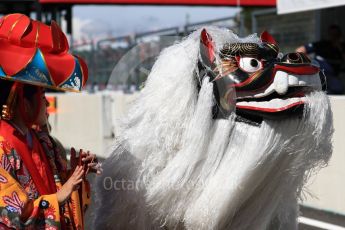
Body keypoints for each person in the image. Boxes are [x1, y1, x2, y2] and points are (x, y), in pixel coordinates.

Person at [0, 13, 100, 229]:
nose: (46, 104)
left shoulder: (47, 143)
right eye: (41, 96)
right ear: (22, 102)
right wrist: (62, 194)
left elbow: (62, 193)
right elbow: (14, 214)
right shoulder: (1, 146)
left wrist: (75, 174)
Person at [296, 24, 345, 94]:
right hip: (317, 74)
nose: (334, 37)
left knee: (337, 88)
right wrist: (308, 61)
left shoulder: (342, 47)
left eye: (336, 35)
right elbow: (299, 50)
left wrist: (340, 47)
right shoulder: (322, 44)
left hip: (332, 77)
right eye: (332, 34)